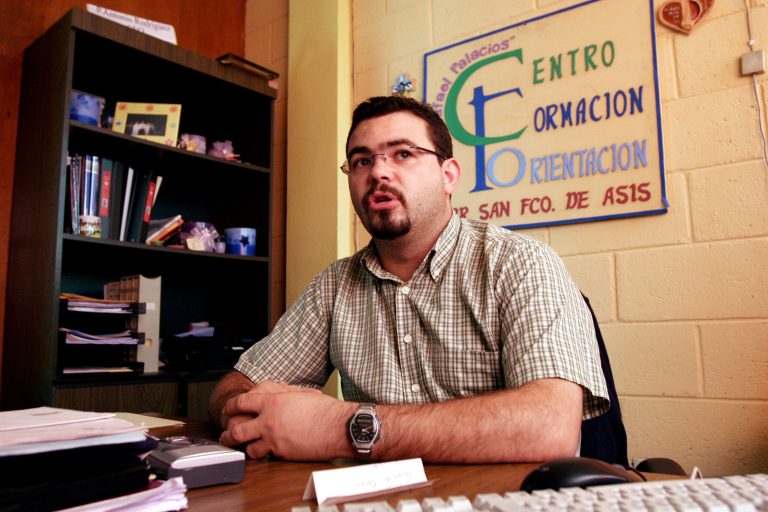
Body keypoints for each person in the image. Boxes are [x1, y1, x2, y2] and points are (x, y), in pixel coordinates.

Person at [209, 96, 609, 464]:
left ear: (448, 174)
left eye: (403, 153)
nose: (379, 171)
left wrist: (337, 426)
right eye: (362, 161)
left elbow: (550, 427)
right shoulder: (333, 287)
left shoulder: (520, 263)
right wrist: (248, 409)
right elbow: (235, 386)